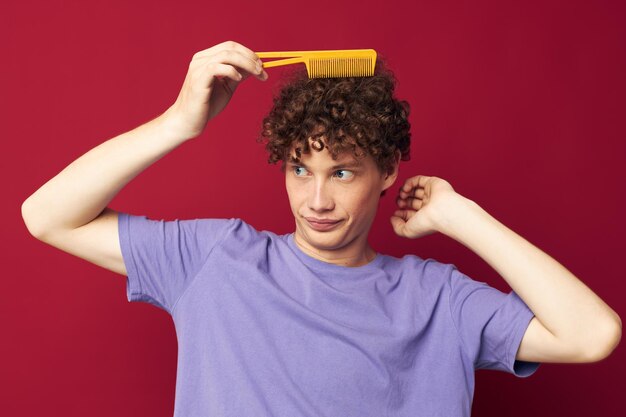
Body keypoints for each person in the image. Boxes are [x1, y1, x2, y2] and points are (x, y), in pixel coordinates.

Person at [21, 40, 621, 416]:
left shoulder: (439, 299)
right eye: (300, 167)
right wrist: (179, 123)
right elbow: (44, 216)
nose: (316, 199)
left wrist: (459, 214)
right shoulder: (217, 260)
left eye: (342, 171)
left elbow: (591, 335)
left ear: (386, 172)